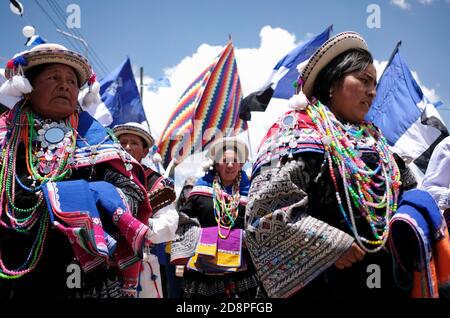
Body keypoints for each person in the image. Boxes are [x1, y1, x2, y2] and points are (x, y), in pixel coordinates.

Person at [245, 31, 418, 298]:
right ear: (332, 83)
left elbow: (403, 192)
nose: (372, 91)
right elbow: (263, 216)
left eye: (374, 84)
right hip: (321, 284)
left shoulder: (378, 141)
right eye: (363, 80)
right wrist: (331, 245)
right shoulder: (295, 133)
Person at [0, 44, 153, 298]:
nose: (65, 85)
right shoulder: (7, 136)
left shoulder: (96, 140)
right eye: (54, 78)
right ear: (28, 88)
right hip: (14, 275)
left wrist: (82, 197)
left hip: (85, 282)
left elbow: (133, 196)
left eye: (72, 81)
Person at [171, 137, 259, 298]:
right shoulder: (201, 189)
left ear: (241, 164)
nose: (230, 165)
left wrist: (248, 237)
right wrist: (199, 238)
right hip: (205, 264)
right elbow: (184, 220)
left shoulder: (252, 192)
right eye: (225, 160)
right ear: (217, 164)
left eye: (235, 161)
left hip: (243, 266)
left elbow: (260, 221)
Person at [113, 122, 178, 298]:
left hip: (145, 266)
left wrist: (138, 227)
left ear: (144, 151)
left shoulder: (155, 182)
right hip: (107, 264)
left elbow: (169, 222)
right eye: (122, 142)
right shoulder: (100, 176)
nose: (127, 147)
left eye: (134, 143)